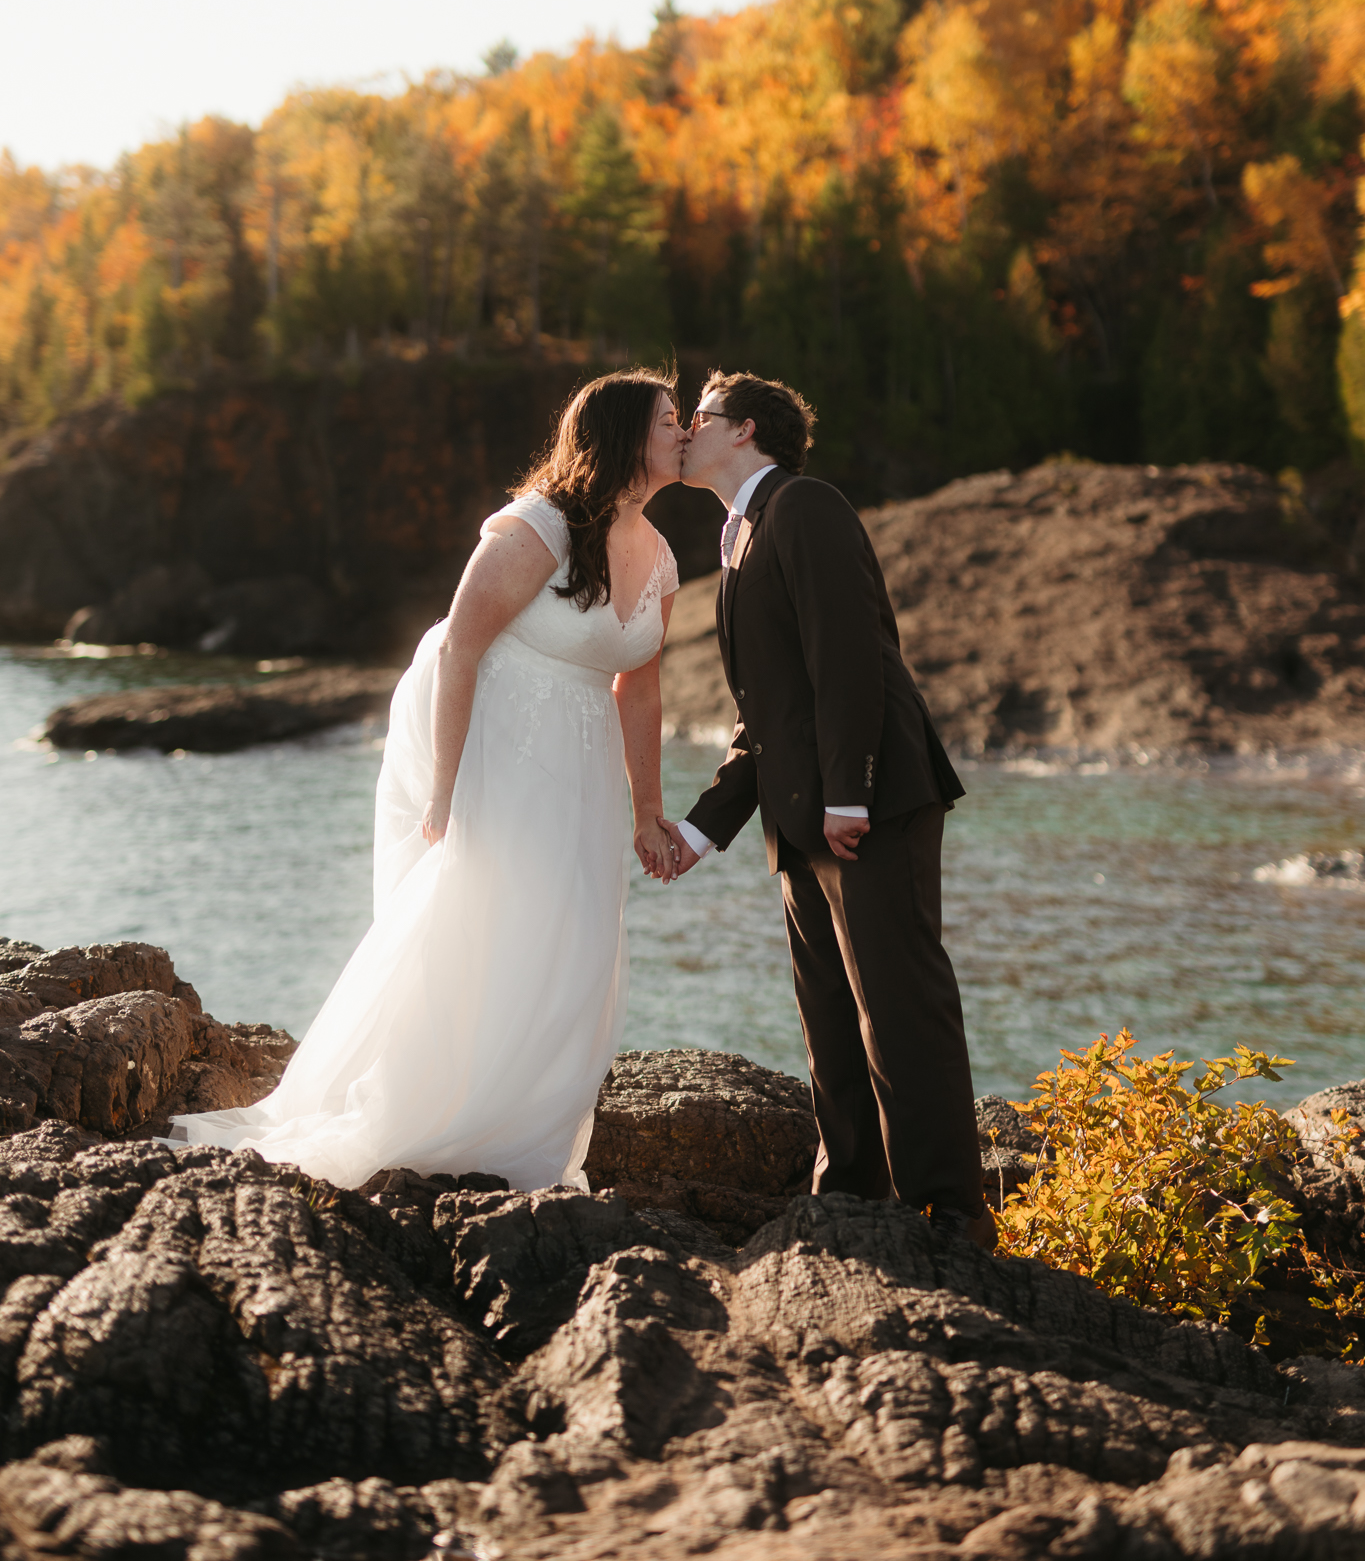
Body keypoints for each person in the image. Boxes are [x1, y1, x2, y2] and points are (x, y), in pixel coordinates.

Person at [169, 370, 688, 1192]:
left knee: (578, 932)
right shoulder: (537, 525)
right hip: (497, 746)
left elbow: (641, 684)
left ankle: (529, 1128)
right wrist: (446, 787)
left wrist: (648, 809)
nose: (685, 430)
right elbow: (458, 648)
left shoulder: (659, 555)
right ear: (625, 434)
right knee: (484, 917)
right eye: (669, 419)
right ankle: (435, 1112)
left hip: (582, 767)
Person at [660, 371, 994, 1249]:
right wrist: (700, 829)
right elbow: (767, 714)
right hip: (803, 813)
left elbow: (845, 656)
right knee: (832, 1014)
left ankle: (948, 1213)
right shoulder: (738, 534)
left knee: (899, 1004)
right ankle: (850, 1193)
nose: (685, 431)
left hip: (867, 803)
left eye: (699, 418)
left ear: (747, 431)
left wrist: (851, 791)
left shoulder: (804, 505)